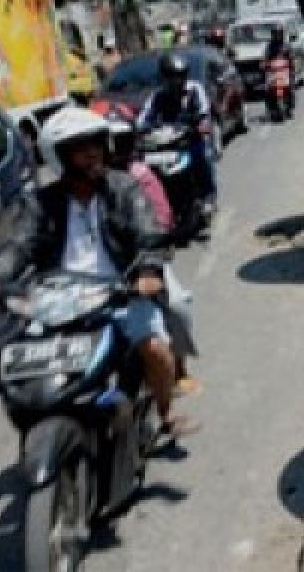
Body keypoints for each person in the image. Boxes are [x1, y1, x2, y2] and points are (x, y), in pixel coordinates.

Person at [0, 107, 198, 435]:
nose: (93, 155)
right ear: (59, 157)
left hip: (121, 289)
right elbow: (20, 244)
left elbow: (148, 229)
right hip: (60, 296)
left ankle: (165, 413)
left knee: (155, 347)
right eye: (81, 149)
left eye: (96, 145)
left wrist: (147, 269)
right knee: (19, 364)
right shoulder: (42, 202)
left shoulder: (123, 187)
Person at [104, 108, 202, 398]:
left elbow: (161, 216)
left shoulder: (140, 175)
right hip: (99, 273)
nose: (114, 151)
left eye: (121, 143)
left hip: (141, 261)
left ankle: (180, 366)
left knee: (178, 306)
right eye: (109, 143)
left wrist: (153, 251)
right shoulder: (88, 185)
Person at [137, 53, 218, 217]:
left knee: (202, 157)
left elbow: (204, 113)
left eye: (180, 76)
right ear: (165, 77)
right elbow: (143, 119)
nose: (177, 81)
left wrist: (201, 125)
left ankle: (208, 196)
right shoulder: (157, 96)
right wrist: (141, 129)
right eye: (172, 77)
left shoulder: (195, 89)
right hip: (166, 145)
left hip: (191, 139)